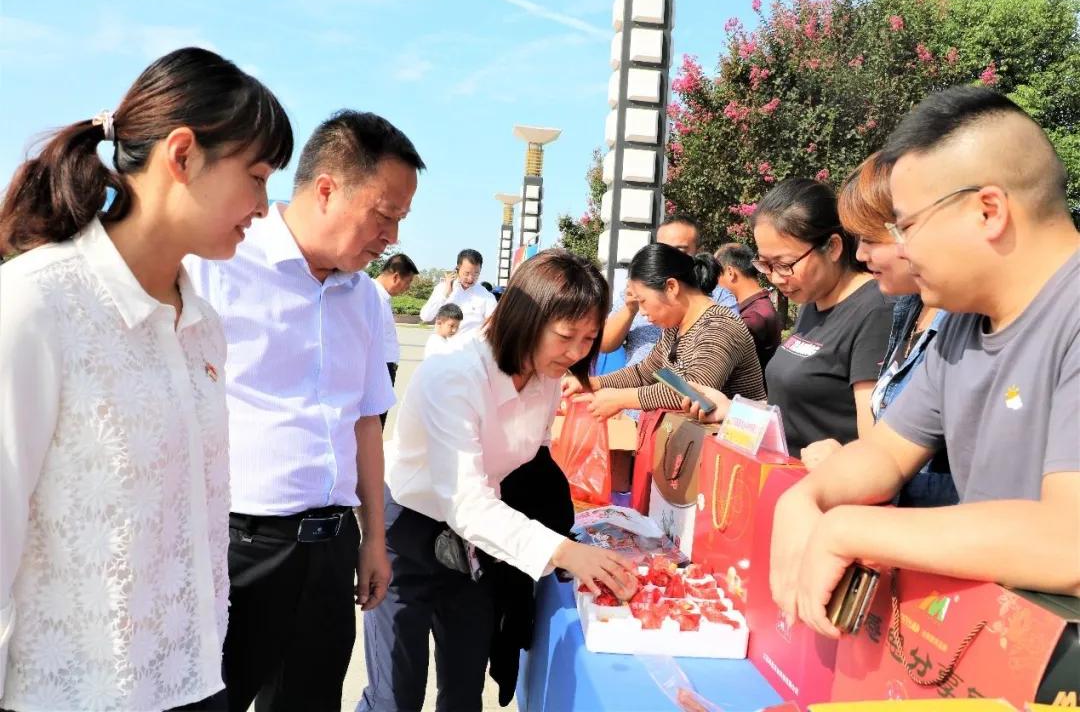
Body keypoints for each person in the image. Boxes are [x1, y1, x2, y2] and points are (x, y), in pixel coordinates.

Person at [0, 47, 293, 711]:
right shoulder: (35, 305)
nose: (262, 206)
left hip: (193, 681)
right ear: (183, 153)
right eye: (256, 176)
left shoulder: (203, 325)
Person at [768, 86, 1080, 637]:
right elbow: (887, 451)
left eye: (906, 227)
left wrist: (848, 529)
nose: (900, 250)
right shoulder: (962, 321)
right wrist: (806, 498)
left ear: (989, 211)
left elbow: (1068, 542)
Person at [186, 110, 423, 711]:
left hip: (331, 548)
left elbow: (365, 421)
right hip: (237, 547)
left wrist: (373, 540)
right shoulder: (220, 267)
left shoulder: (366, 298)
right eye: (385, 214)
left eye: (399, 220)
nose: (391, 237)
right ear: (326, 189)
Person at [358, 249, 639, 712]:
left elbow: (528, 461)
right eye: (567, 336)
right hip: (410, 531)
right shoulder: (454, 375)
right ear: (526, 320)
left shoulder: (547, 376)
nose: (577, 353)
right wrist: (562, 550)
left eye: (589, 339)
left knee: (466, 687)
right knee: (395, 696)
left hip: (476, 541)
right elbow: (465, 502)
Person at [800, 154, 957, 507]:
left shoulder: (966, 323)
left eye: (871, 239)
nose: (862, 254)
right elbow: (886, 450)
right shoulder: (907, 308)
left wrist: (855, 472)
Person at [749, 179, 893, 456]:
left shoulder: (876, 311)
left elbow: (874, 445)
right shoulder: (811, 302)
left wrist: (840, 458)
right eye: (766, 264)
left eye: (785, 264)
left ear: (834, 247)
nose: (776, 277)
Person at [562, 243, 765, 419]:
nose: (642, 312)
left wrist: (621, 399)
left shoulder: (720, 327)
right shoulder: (675, 328)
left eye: (643, 301)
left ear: (671, 287)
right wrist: (592, 383)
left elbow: (694, 391)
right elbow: (645, 373)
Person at [601, 215, 739, 371]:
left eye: (680, 251)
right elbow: (639, 369)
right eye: (663, 249)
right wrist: (630, 309)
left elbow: (694, 382)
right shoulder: (635, 292)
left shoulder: (719, 302)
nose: (668, 259)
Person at [714, 242, 783, 371]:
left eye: (717, 274)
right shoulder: (758, 307)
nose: (715, 282)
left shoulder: (753, 317)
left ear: (730, 272)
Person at [374, 252, 419, 427]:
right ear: (395, 277)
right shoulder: (372, 296)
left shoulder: (383, 297)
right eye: (407, 283)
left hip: (384, 368)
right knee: (374, 423)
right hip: (378, 368)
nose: (407, 289)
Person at [419, 248, 497, 335]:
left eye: (476, 274)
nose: (471, 278)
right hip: (444, 345)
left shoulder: (485, 295)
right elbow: (426, 316)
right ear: (457, 269)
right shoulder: (442, 288)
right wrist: (445, 295)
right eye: (467, 273)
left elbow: (493, 325)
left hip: (471, 346)